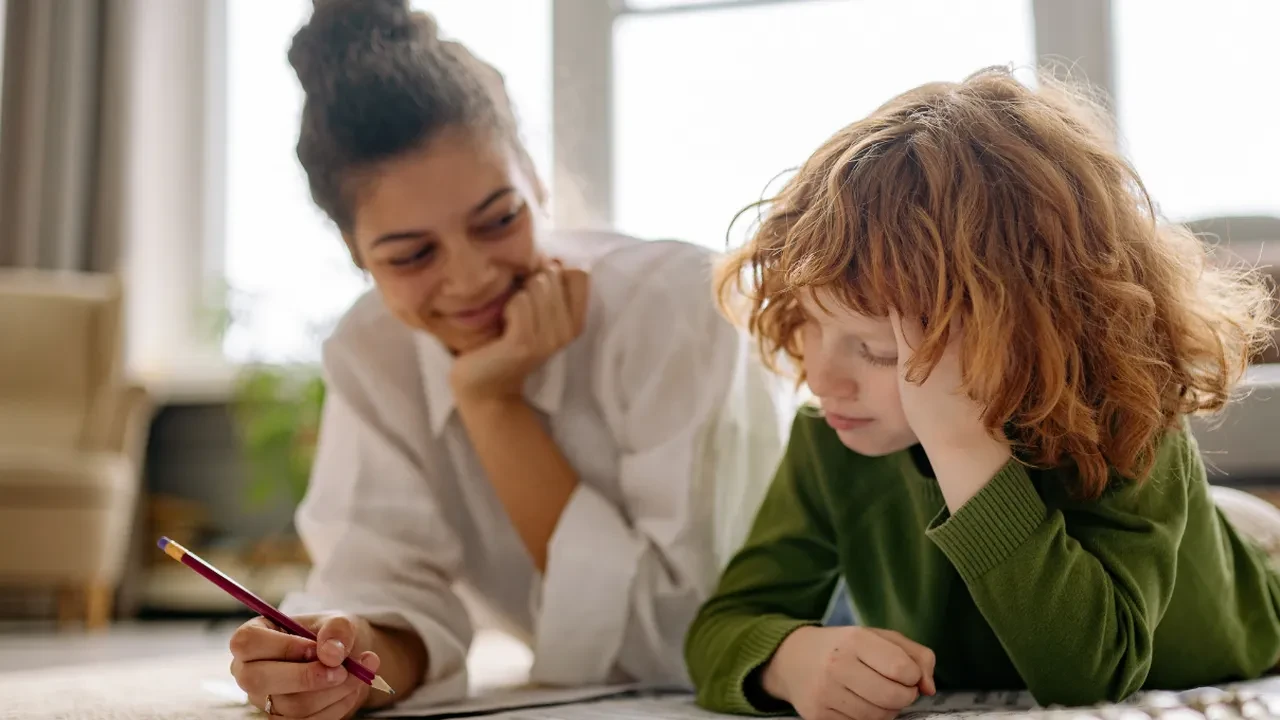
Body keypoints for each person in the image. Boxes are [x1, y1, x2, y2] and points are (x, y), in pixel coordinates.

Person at [224, 1, 790, 717]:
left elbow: (691, 639)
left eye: (499, 219)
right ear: (354, 253)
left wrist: (492, 404)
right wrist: (345, 654)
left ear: (535, 179)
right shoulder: (370, 349)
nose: (472, 279)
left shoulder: (674, 308)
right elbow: (387, 583)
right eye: (412, 255)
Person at [684, 66, 1280, 720]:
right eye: (811, 324)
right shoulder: (832, 437)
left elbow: (1090, 675)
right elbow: (722, 628)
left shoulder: (1132, 420)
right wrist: (788, 660)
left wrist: (961, 443)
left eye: (876, 349)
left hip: (1246, 599)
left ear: (1022, 333)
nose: (822, 380)